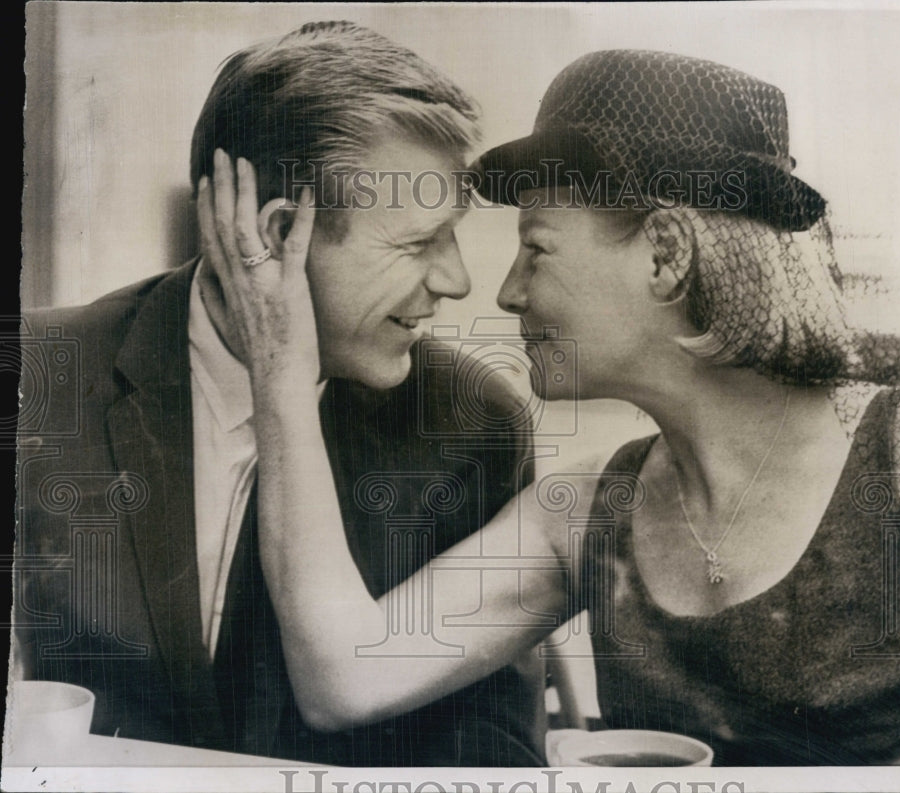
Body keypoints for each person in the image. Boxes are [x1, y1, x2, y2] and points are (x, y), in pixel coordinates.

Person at [201, 49, 900, 766]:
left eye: (536, 247)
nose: (506, 291)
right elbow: (340, 675)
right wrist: (281, 369)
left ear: (666, 254)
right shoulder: (582, 515)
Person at [14, 21, 547, 766]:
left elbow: (495, 752)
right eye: (420, 243)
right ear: (276, 233)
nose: (456, 280)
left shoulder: (473, 424)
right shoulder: (37, 375)